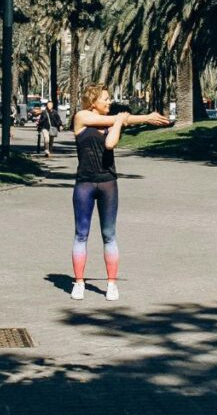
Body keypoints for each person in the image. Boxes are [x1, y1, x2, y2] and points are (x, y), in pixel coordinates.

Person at [70, 83, 170, 301]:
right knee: (81, 234)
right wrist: (138, 118)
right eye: (105, 99)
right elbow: (108, 121)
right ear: (92, 101)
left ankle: (112, 284)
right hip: (84, 184)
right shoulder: (80, 117)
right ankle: (79, 283)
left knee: (109, 235)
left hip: (108, 184)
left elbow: (110, 143)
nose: (109, 102)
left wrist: (119, 123)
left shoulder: (111, 124)